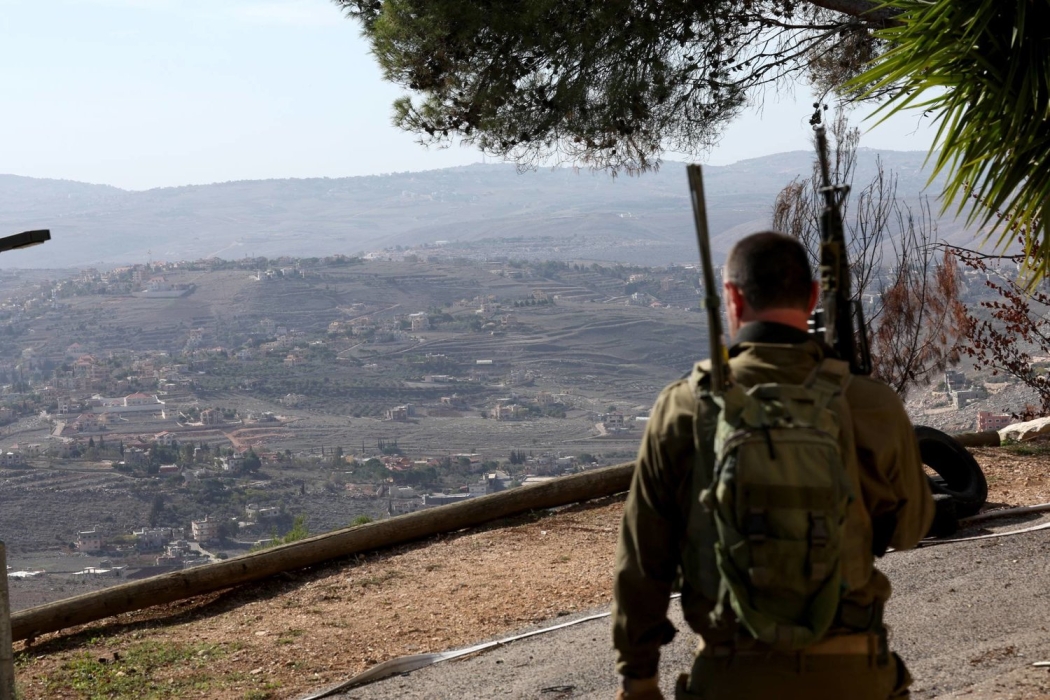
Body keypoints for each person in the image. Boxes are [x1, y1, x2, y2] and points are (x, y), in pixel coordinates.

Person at [611, 231, 934, 700]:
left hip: (731, 678)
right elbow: (911, 528)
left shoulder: (683, 408)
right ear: (813, 296)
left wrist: (638, 679)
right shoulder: (871, 403)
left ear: (732, 297)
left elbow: (643, 562)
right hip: (854, 674)